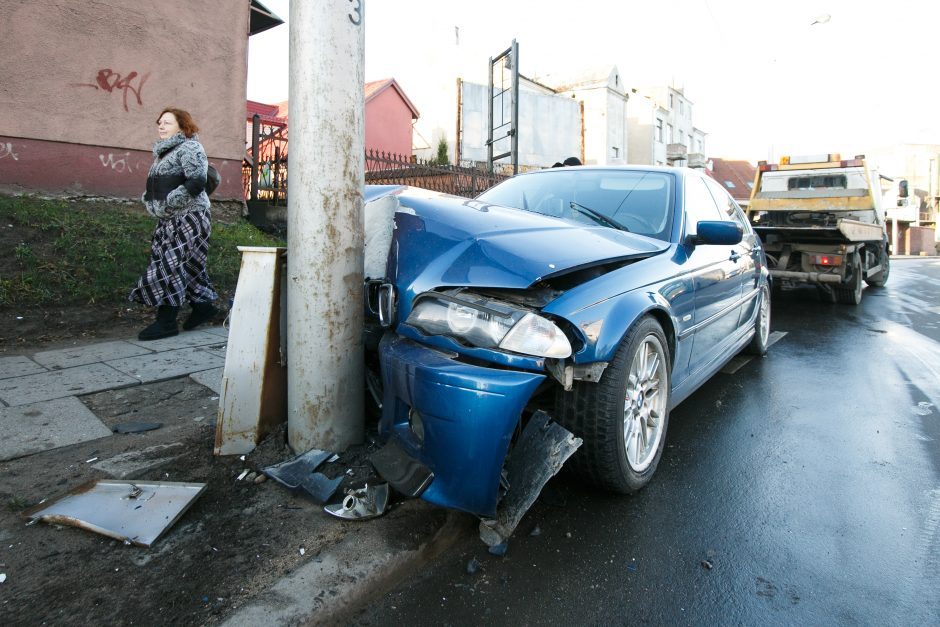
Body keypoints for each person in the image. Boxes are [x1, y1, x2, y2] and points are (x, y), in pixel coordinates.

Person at [130, 107, 219, 341]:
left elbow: (197, 180)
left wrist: (169, 202)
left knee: (170, 265)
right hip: (169, 218)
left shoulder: (190, 147)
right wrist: (151, 201)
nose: (161, 126)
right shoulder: (164, 153)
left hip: (190, 216)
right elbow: (157, 186)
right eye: (159, 122)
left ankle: (166, 321)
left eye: (167, 123)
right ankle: (204, 308)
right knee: (189, 266)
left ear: (182, 126)